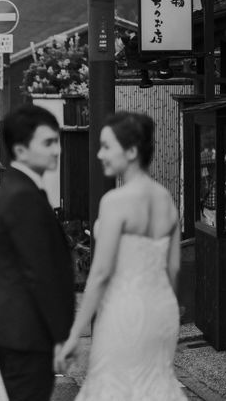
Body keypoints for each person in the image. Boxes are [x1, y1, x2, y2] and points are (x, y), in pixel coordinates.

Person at [55, 112, 185, 400]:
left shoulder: (116, 201)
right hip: (162, 313)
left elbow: (100, 274)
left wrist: (75, 334)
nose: (99, 154)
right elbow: (173, 269)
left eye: (106, 146)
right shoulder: (166, 200)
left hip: (125, 311)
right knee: (155, 386)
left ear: (131, 151)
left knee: (115, 388)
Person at [0, 104, 75, 401]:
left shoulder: (16, 188)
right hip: (27, 330)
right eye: (48, 142)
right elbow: (40, 273)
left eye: (56, 140)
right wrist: (62, 336)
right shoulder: (23, 196)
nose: (56, 150)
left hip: (18, 327)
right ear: (20, 150)